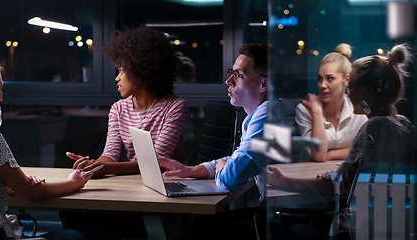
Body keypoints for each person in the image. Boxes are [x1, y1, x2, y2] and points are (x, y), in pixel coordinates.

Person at [268, 43, 414, 240]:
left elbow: (339, 188)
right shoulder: (402, 124)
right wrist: (341, 173)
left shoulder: (374, 127)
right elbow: (355, 175)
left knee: (288, 231)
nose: (348, 94)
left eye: (351, 88)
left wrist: (285, 181)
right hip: (395, 226)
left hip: (358, 229)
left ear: (363, 93)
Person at [0, 48, 90, 240]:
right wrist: (73, 183)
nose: (1, 96)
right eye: (1, 88)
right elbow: (30, 192)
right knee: (77, 235)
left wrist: (4, 184)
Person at [159, 43, 268, 239]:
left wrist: (222, 166)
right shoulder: (257, 116)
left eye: (238, 75)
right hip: (273, 215)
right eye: (231, 73)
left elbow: (230, 178)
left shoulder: (267, 117)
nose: (228, 81)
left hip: (277, 221)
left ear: (263, 85)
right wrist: (192, 170)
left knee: (196, 231)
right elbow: (235, 159)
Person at [67, 27, 189, 177]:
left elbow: (157, 161)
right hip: (134, 182)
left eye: (122, 71)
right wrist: (94, 165)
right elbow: (111, 153)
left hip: (168, 183)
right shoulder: (118, 109)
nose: (116, 78)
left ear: (142, 71)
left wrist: (108, 168)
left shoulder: (175, 107)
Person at [295, 43, 367, 162]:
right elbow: (318, 155)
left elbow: (364, 150)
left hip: (346, 175)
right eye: (320, 78)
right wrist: (316, 112)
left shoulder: (360, 110)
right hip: (310, 176)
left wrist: (330, 155)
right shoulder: (303, 110)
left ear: (346, 79)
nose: (322, 85)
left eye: (329, 78)